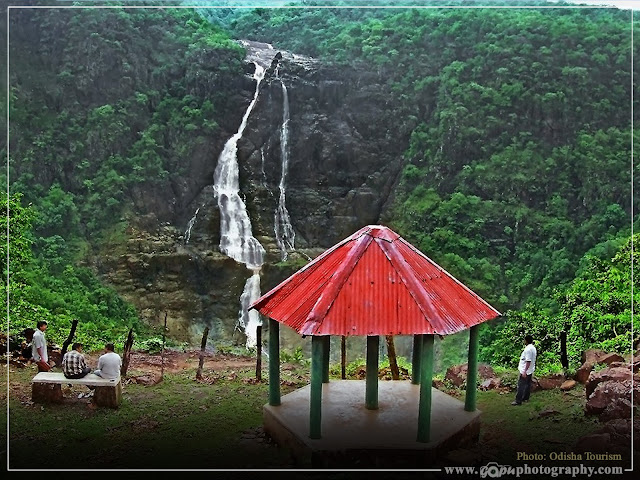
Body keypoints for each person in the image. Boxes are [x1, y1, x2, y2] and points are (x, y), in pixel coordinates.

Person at [512, 334, 537, 406]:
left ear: (526, 340)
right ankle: (525, 397)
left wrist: (524, 371)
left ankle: (518, 400)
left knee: (521, 385)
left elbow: (528, 361)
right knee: (527, 384)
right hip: (530, 370)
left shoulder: (528, 349)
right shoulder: (533, 348)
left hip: (526, 370)